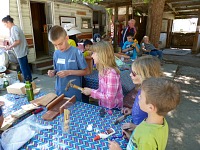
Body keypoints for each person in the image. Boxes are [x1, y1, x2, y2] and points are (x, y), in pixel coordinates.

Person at [109, 77, 181, 150]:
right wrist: (132, 138)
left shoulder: (147, 137)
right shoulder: (160, 122)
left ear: (150, 107)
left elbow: (146, 141)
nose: (139, 97)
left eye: (141, 97)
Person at [121, 55, 163, 138]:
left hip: (141, 133)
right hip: (136, 126)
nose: (130, 75)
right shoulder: (143, 89)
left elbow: (152, 126)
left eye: (133, 73)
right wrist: (131, 110)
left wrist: (137, 128)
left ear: (145, 75)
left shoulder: (152, 97)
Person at [47, 25, 89, 101]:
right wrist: (53, 72)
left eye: (60, 44)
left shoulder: (76, 52)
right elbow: (57, 69)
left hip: (74, 92)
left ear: (67, 38)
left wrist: (69, 72)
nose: (58, 47)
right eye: (55, 45)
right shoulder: (56, 53)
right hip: (60, 90)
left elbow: (86, 71)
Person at [82, 41, 123, 109]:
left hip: (113, 109)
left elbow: (110, 97)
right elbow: (102, 90)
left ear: (101, 55)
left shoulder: (111, 74)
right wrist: (91, 92)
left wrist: (92, 92)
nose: (92, 56)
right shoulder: (102, 70)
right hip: (104, 106)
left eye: (94, 53)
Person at [2, 15, 32, 81]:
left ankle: (27, 81)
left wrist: (9, 47)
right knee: (25, 66)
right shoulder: (15, 28)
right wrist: (10, 45)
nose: (5, 26)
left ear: (8, 22)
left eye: (5, 24)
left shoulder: (14, 29)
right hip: (22, 51)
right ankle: (29, 80)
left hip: (21, 51)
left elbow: (17, 41)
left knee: (23, 67)